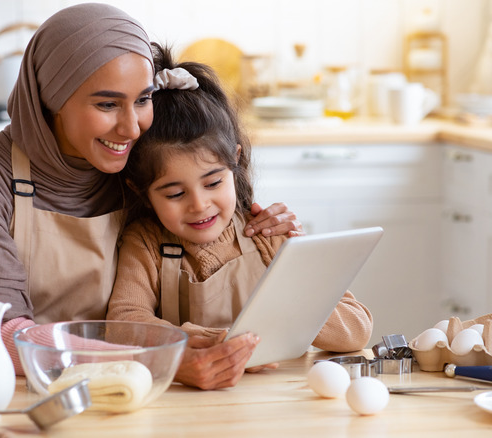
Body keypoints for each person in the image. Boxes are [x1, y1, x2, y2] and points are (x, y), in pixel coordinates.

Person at [0, 3, 302, 377]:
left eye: (142, 100)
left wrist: (260, 230)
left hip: (133, 390)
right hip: (3, 392)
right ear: (50, 98)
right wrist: (160, 360)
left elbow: (201, 231)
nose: (131, 128)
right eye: (107, 104)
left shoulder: (137, 166)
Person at [106, 44, 373, 390]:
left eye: (213, 182)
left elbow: (357, 329)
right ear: (142, 191)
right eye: (174, 193)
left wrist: (295, 280)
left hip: (275, 405)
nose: (199, 205)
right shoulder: (145, 242)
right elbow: (124, 324)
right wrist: (208, 340)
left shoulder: (268, 232)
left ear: (235, 161)